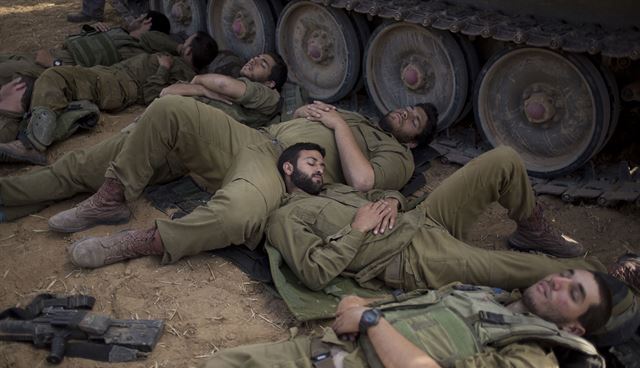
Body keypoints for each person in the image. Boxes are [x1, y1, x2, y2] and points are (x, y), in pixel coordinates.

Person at [0, 269, 617, 368]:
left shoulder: (538, 364)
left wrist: (370, 317)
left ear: (577, 330)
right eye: (567, 275)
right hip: (306, 357)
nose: (558, 282)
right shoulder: (487, 299)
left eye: (574, 292)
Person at [0, 96, 438, 267]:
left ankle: (143, 241)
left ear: (415, 141)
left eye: (412, 119)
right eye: (406, 107)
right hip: (252, 140)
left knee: (239, 212)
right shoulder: (358, 115)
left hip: (279, 173)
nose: (402, 113)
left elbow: (363, 180)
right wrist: (308, 114)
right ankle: (109, 196)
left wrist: (337, 124)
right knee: (167, 110)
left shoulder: (395, 154)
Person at [267, 143, 599, 292]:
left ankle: (532, 229)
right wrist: (357, 229)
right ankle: (608, 276)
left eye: (322, 165)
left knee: (503, 159)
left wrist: (394, 202)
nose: (320, 169)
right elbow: (314, 272)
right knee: (526, 270)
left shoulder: (333, 189)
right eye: (312, 163)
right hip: (409, 256)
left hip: (422, 218)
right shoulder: (286, 217)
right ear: (288, 169)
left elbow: (382, 195)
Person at [0, 32, 218, 164]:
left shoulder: (184, 76)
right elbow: (147, 37)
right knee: (28, 80)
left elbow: (157, 96)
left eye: (185, 43)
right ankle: (16, 132)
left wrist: (162, 69)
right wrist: (179, 47)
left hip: (118, 84)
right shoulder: (175, 58)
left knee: (54, 76)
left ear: (189, 52)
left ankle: (33, 145)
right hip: (109, 76)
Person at [0, 11, 175, 87]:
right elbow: (76, 45)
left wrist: (55, 63)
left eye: (139, 16)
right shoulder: (118, 32)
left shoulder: (134, 53)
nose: (133, 19)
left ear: (147, 21)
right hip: (48, 56)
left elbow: (98, 76)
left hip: (53, 68)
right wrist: (92, 31)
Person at [158, 52, 288, 128]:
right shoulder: (234, 84)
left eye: (262, 64)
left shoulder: (269, 95)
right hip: (175, 117)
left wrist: (199, 82)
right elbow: (166, 92)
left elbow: (223, 84)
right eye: (256, 57)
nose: (254, 60)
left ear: (269, 83)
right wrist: (203, 90)